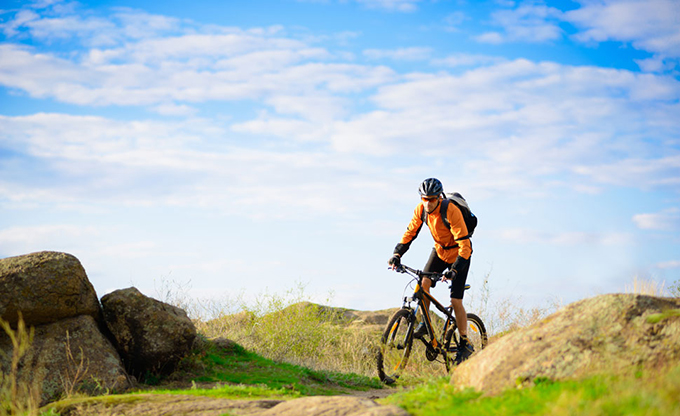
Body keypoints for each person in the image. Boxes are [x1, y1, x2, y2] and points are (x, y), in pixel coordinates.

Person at [388, 178, 474, 364]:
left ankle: (465, 341)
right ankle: (425, 325)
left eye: (432, 199)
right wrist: (397, 254)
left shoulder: (451, 210)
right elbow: (410, 233)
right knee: (423, 283)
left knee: (455, 300)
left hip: (460, 254)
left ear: (439, 198)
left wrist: (454, 270)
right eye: (424, 198)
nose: (428, 203)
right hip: (440, 250)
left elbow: (465, 245)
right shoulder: (421, 210)